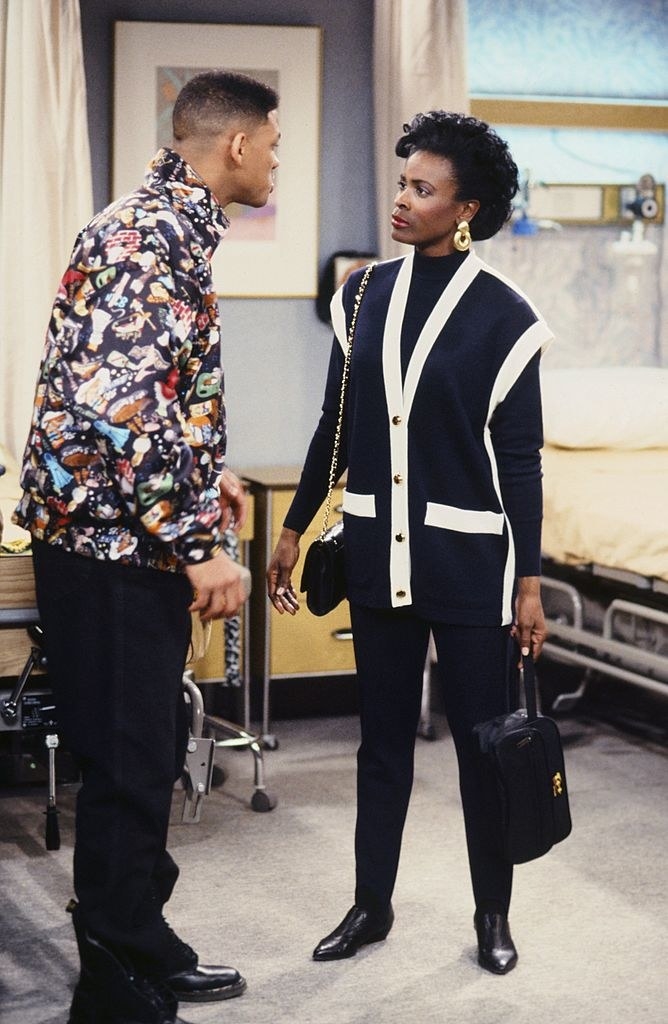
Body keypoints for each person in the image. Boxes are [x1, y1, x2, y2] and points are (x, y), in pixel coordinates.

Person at [14, 71, 280, 1024]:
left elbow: (146, 391)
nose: (277, 161)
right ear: (238, 146)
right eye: (274, 144)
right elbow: (114, 403)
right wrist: (197, 539)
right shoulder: (150, 234)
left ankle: (138, 931)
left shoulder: (161, 224)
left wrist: (211, 478)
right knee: (130, 754)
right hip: (111, 543)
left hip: (114, 528)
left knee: (151, 740)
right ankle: (113, 981)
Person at [267, 110, 552, 975]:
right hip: (373, 554)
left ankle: (493, 915)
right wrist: (292, 526)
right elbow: (336, 424)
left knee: (482, 748)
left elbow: (522, 462)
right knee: (381, 741)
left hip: (471, 567)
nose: (401, 200)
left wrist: (530, 583)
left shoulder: (509, 319)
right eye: (401, 182)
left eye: (422, 190)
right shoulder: (360, 294)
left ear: (464, 209)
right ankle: (370, 905)